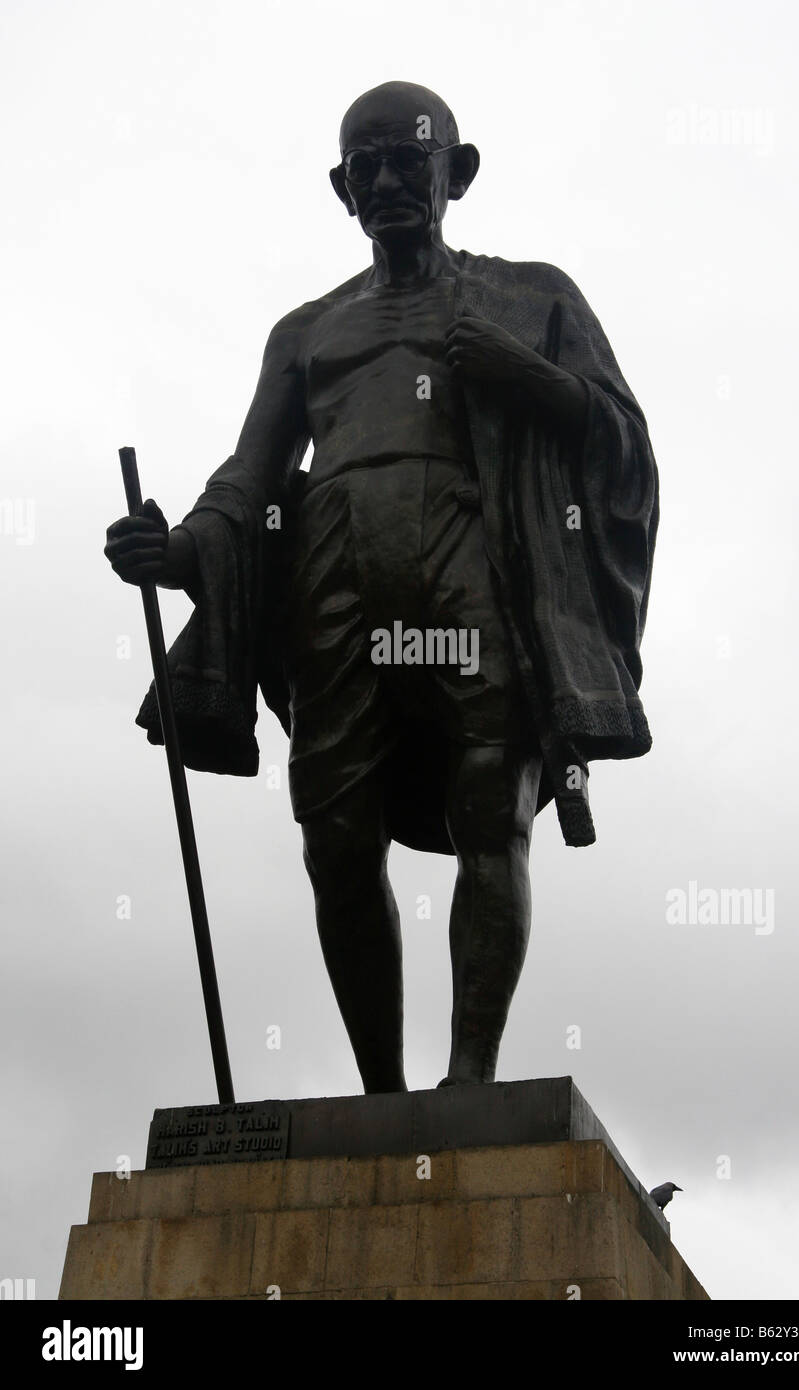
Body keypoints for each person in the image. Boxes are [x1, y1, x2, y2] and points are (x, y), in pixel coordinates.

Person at [104, 81, 659, 1094]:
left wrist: (523, 373)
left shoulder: (529, 298)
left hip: (471, 574)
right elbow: (250, 477)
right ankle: (381, 1097)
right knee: (334, 837)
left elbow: (622, 445)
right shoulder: (306, 332)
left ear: (459, 171)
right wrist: (180, 551)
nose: (392, 180)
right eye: (368, 167)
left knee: (491, 806)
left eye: (412, 160)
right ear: (339, 187)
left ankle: (467, 1082)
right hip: (335, 586)